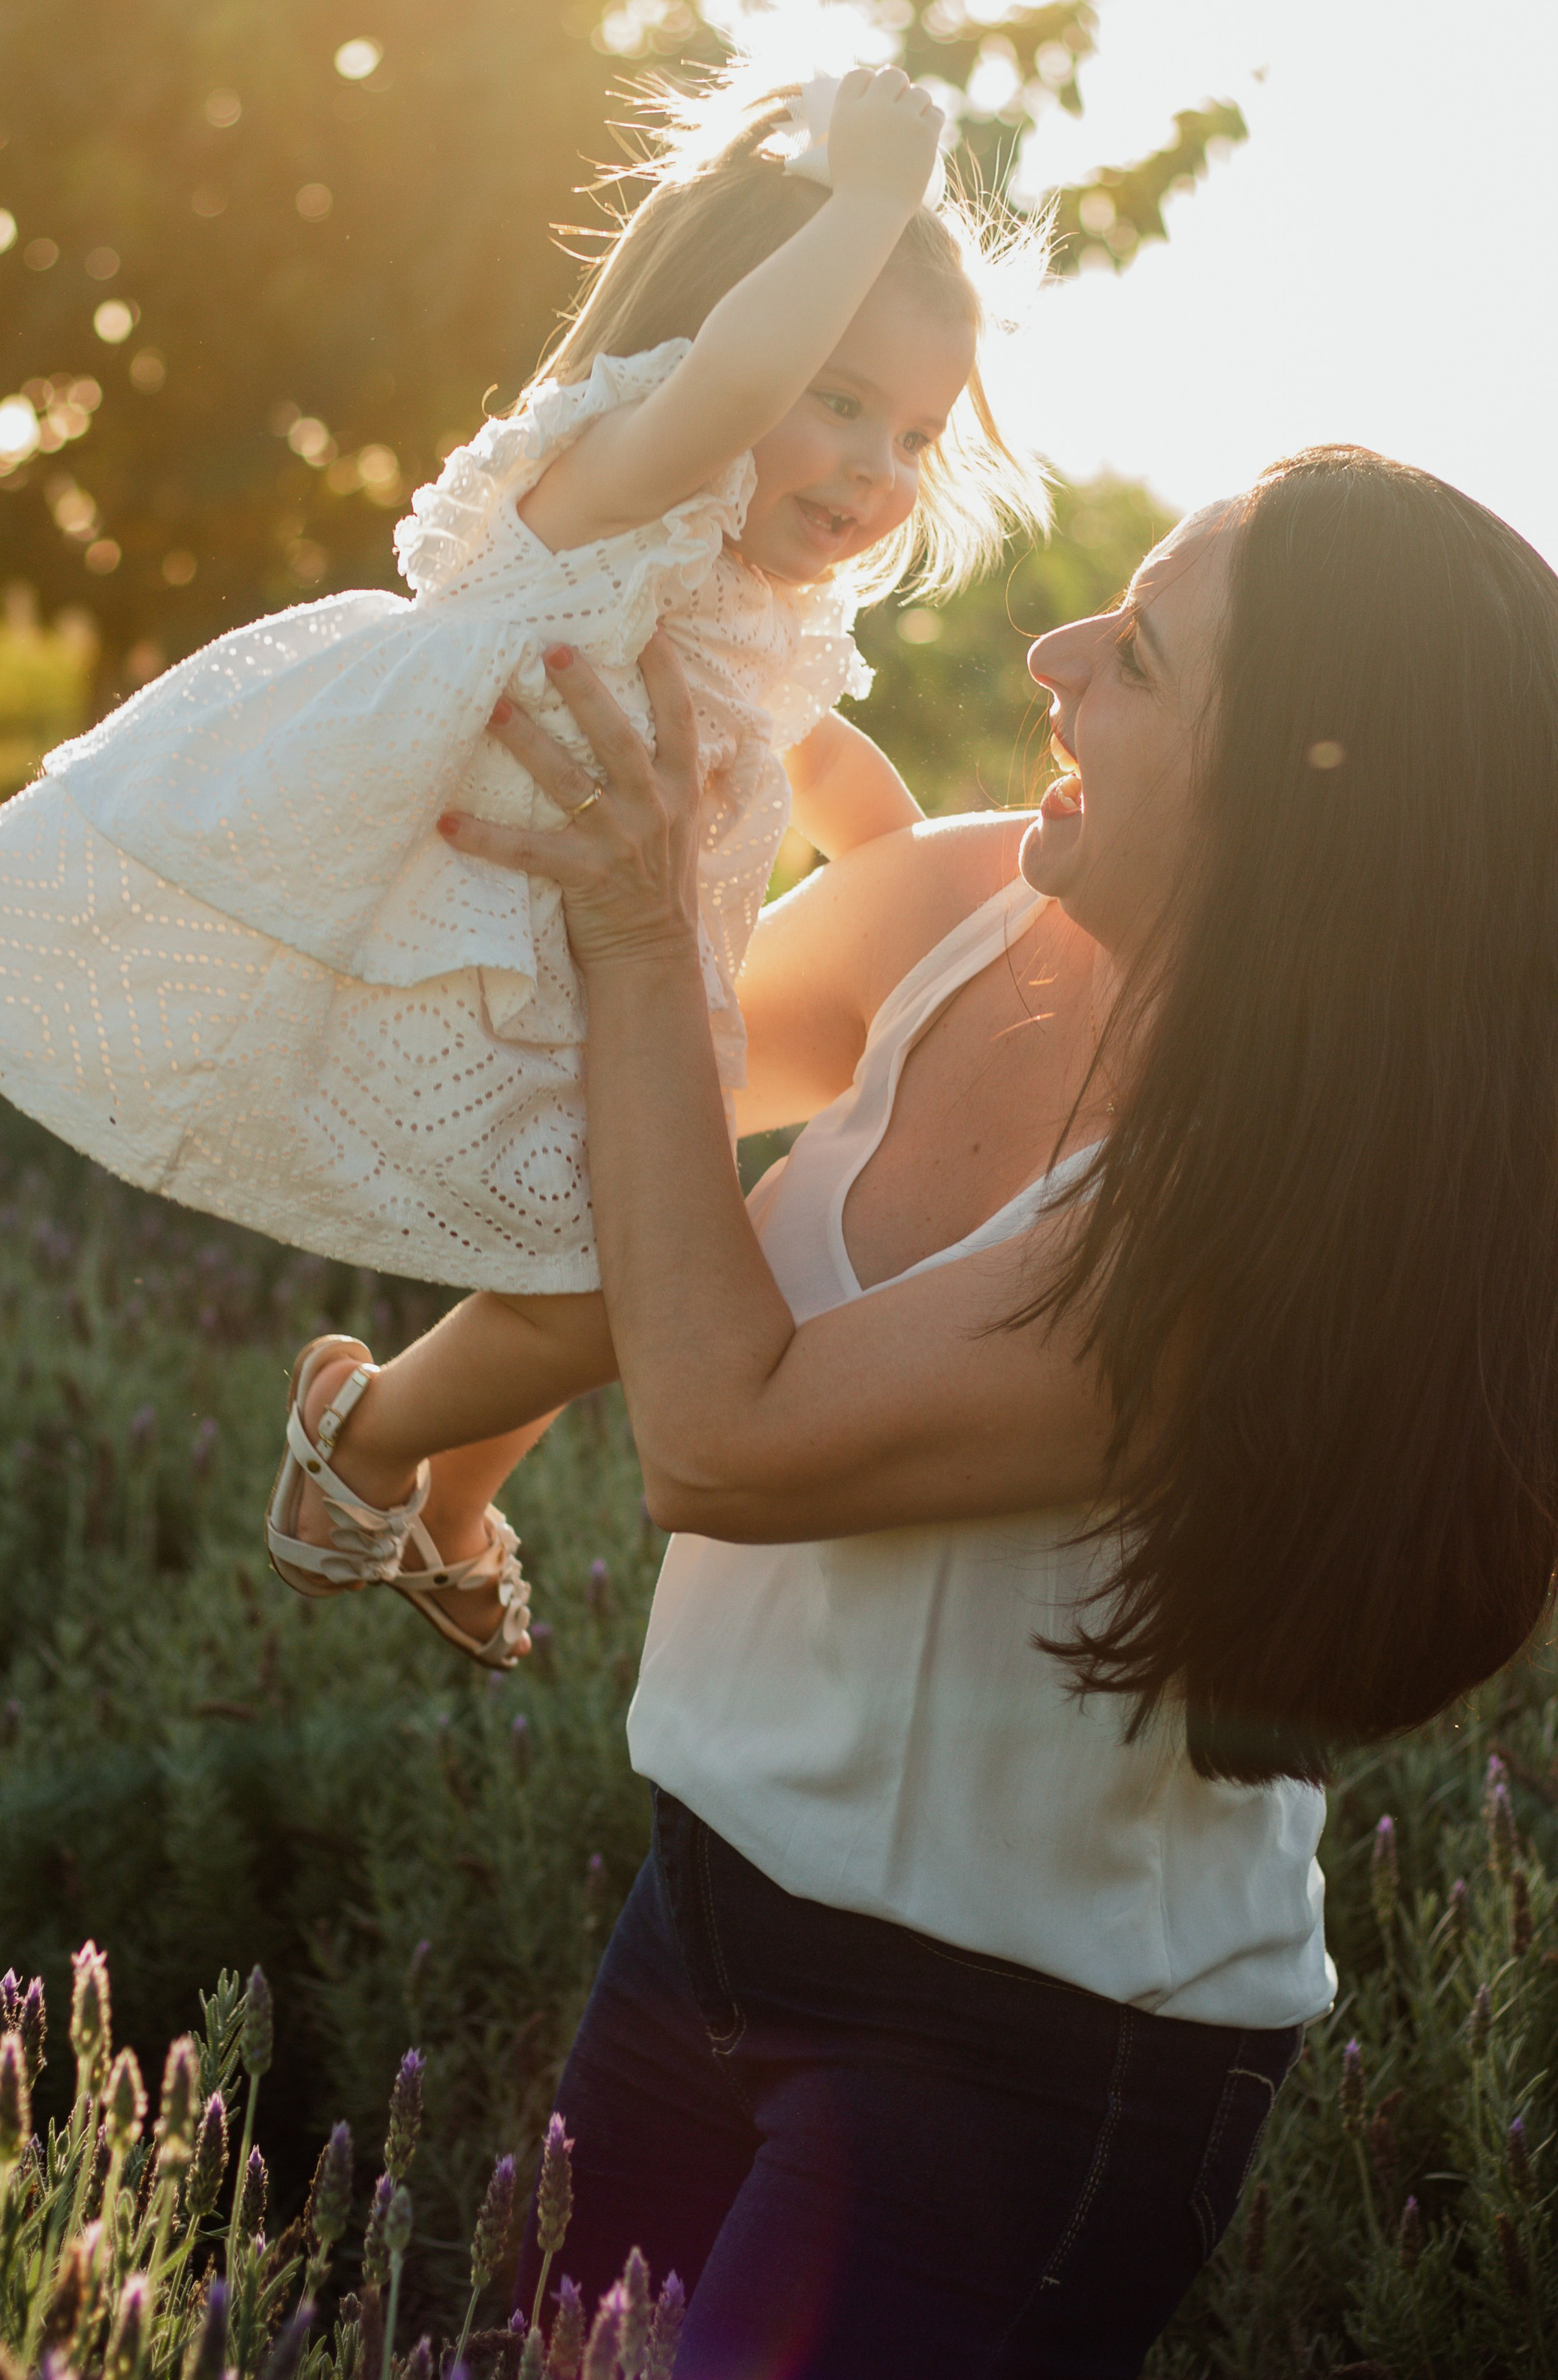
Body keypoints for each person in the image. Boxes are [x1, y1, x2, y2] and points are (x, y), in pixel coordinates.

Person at [328, 448, 1558, 2372]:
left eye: (1141, 654)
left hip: (1017, 2062)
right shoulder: (989, 899)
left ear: (1309, 797)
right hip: (696, 1921)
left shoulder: (1256, 1234)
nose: (1055, 651)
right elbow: (603, 1120)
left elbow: (719, 1438)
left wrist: (645, 930)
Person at [0, 62, 1044, 1667]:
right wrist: (874, 201)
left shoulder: (749, 591)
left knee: (620, 1270)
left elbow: (815, 752)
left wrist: (912, 900)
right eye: (836, 396)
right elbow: (731, 386)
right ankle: (370, 1439)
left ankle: (437, 1499)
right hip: (475, 930)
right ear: (716, 346)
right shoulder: (627, 469)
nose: (875, 468)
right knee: (622, 1290)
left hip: (613, 977)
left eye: (909, 432)